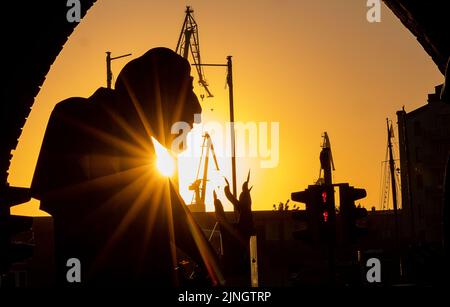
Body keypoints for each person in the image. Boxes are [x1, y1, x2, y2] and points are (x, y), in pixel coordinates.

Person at [31, 47, 221, 287]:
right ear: (159, 93)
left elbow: (170, 214)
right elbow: (164, 215)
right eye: (189, 88)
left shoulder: (140, 152)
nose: (197, 110)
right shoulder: (78, 116)